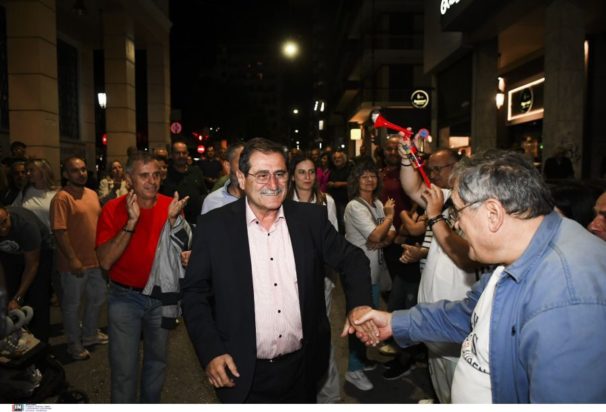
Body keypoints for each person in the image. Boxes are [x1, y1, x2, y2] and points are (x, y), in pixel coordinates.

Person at [354, 150, 606, 403]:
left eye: (458, 213)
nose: (456, 225)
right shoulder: (520, 253)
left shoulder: (568, 297)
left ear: (493, 214)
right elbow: (470, 314)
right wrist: (394, 323)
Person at [181, 138, 375, 403]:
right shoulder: (214, 227)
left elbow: (353, 259)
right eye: (262, 175)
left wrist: (360, 305)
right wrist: (211, 351)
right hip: (239, 370)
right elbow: (194, 294)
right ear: (241, 178)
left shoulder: (310, 220)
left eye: (280, 174)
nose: (273, 184)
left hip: (303, 369)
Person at [96, 152, 190, 403]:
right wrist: (131, 222)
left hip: (160, 298)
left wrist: (184, 251)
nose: (152, 181)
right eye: (144, 175)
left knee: (156, 363)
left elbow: (181, 253)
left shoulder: (171, 207)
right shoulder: (113, 209)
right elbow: (105, 261)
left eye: (156, 175)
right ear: (129, 179)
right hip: (124, 298)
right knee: (124, 369)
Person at [399, 146, 481, 403]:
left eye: (438, 169)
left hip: (455, 323)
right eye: (430, 169)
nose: (432, 175)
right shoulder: (444, 197)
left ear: (457, 168)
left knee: (459, 388)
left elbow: (465, 259)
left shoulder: (474, 204)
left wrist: (435, 217)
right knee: (439, 380)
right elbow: (411, 187)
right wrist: (406, 158)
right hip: (434, 320)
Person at [286, 154, 340, 403]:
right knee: (295, 332)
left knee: (320, 332)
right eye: (301, 172)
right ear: (292, 176)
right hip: (291, 276)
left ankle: (328, 394)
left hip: (322, 275)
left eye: (311, 172)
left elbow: (333, 240)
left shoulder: (326, 201)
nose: (307, 177)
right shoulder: (285, 202)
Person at [343, 160, 396, 391]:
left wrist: (382, 235)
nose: (369, 180)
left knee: (369, 317)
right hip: (359, 273)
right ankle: (353, 370)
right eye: (363, 176)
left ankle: (361, 360)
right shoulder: (354, 207)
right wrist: (389, 217)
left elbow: (390, 235)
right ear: (356, 181)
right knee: (360, 320)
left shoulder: (377, 203)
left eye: (372, 175)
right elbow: (376, 236)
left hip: (373, 271)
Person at [50, 156, 106, 360]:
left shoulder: (92, 194)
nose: (81, 174)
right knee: (72, 305)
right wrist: (72, 259)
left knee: (97, 298)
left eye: (83, 169)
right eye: (75, 170)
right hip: (74, 264)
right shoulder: (62, 198)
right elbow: (59, 231)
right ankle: (73, 344)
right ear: (66, 174)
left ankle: (89, 335)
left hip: (95, 260)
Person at [0, 205, 53, 342]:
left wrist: (18, 298)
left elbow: (32, 266)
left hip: (40, 253)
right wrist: (6, 295)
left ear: (8, 215)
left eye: (4, 222)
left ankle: (41, 344)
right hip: (10, 255)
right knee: (7, 299)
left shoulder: (26, 226)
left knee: (38, 297)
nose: (2, 228)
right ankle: (15, 341)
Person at [160, 140, 208, 226]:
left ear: (187, 154)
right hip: (173, 224)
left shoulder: (196, 171)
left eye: (184, 153)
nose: (181, 156)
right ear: (172, 154)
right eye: (178, 153)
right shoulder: (166, 174)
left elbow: (203, 194)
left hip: (196, 223)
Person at [11, 158, 58, 230]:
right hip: (28, 234)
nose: (28, 174)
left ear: (43, 171)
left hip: (49, 234)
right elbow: (13, 211)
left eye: (31, 170)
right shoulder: (25, 191)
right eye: (27, 171)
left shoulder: (56, 193)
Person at [200, 143, 244, 214]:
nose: (248, 167)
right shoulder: (212, 201)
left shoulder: (260, 198)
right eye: (242, 162)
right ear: (228, 166)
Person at [327, 150, 352, 234]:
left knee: (343, 222)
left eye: (339, 158)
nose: (337, 160)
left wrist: (340, 184)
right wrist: (330, 184)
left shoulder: (349, 168)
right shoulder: (332, 170)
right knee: (335, 221)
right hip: (333, 200)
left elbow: (354, 182)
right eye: (335, 158)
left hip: (344, 200)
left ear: (344, 159)